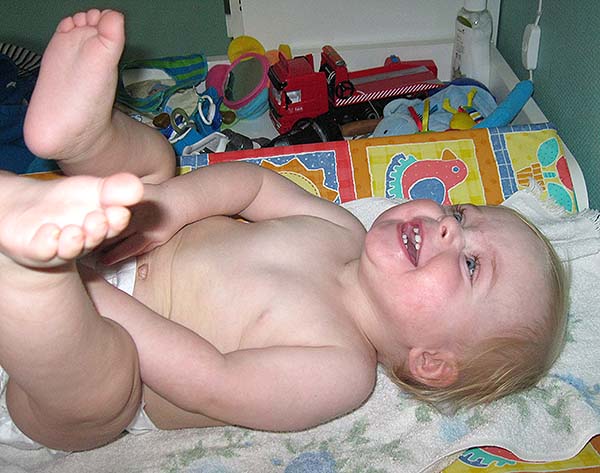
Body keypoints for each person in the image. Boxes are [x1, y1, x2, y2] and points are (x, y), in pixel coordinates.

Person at [0, 9, 567, 453]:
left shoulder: (342, 372)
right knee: (157, 169)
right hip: (111, 231)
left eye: (471, 264)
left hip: (102, 352)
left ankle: (31, 277)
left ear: (431, 363)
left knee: (105, 391)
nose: (445, 228)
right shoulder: (341, 229)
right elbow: (251, 186)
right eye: (461, 214)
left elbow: (212, 379)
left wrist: (92, 294)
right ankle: (83, 139)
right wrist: (168, 209)